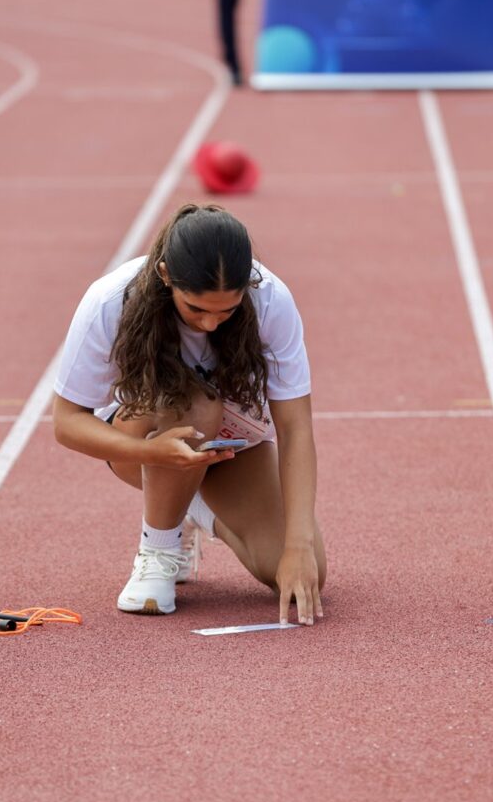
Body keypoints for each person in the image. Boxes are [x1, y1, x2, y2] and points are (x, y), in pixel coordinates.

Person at [53, 203, 326, 626]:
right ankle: (158, 551)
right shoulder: (110, 300)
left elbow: (294, 427)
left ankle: (191, 506)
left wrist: (299, 545)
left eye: (227, 310)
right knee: (196, 403)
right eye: (196, 309)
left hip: (232, 448)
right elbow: (67, 422)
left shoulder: (271, 300)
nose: (212, 323)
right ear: (165, 276)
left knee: (301, 574)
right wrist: (154, 453)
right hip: (142, 443)